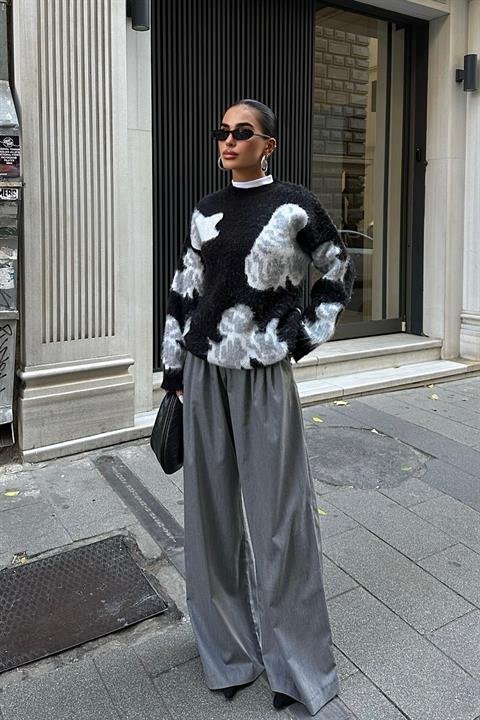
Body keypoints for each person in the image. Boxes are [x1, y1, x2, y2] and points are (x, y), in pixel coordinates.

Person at [160, 98, 354, 716]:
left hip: (263, 375)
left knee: (280, 520)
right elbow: (184, 290)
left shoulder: (294, 205)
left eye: (241, 132)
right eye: (222, 131)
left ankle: (295, 664)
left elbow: (337, 268)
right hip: (203, 370)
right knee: (210, 521)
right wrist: (173, 371)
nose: (228, 140)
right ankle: (229, 654)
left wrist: (300, 336)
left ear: (268, 144)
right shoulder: (205, 210)